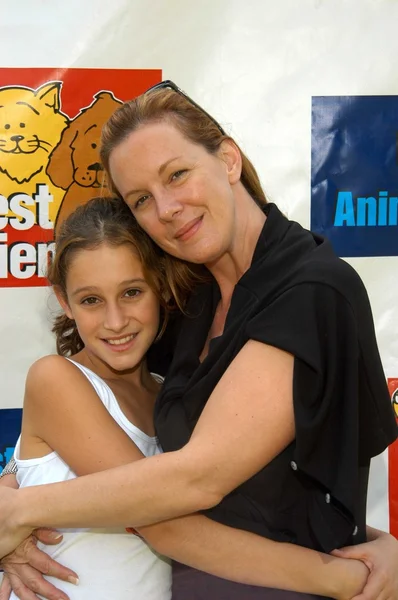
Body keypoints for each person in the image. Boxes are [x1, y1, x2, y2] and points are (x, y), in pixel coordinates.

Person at [0, 81, 397, 600]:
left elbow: (199, 479)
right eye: (142, 198)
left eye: (177, 174)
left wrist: (20, 512)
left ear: (228, 159)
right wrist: (14, 485)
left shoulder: (312, 290)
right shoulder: (189, 305)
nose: (165, 208)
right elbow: (105, 439)